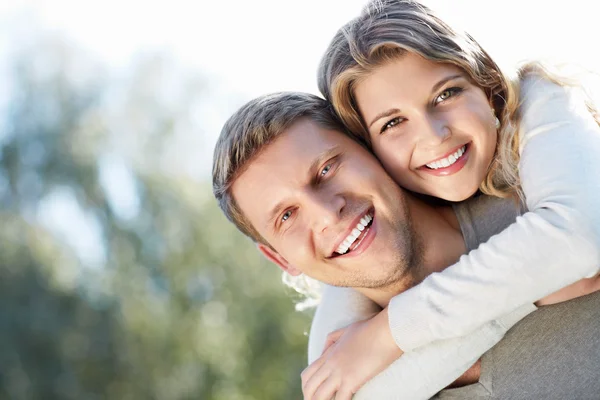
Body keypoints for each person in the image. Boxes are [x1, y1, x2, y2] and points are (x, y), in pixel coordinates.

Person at [212, 91, 600, 399]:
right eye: (286, 216)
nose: (328, 214)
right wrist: (529, 292)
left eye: (327, 169)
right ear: (280, 259)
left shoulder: (547, 194)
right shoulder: (347, 377)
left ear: (372, 149)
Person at [303, 0, 600, 398]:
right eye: (392, 123)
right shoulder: (371, 237)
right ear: (370, 152)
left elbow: (577, 236)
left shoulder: (537, 100)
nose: (432, 134)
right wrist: (528, 297)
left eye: (446, 94)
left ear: (488, 84)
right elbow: (346, 391)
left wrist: (388, 332)